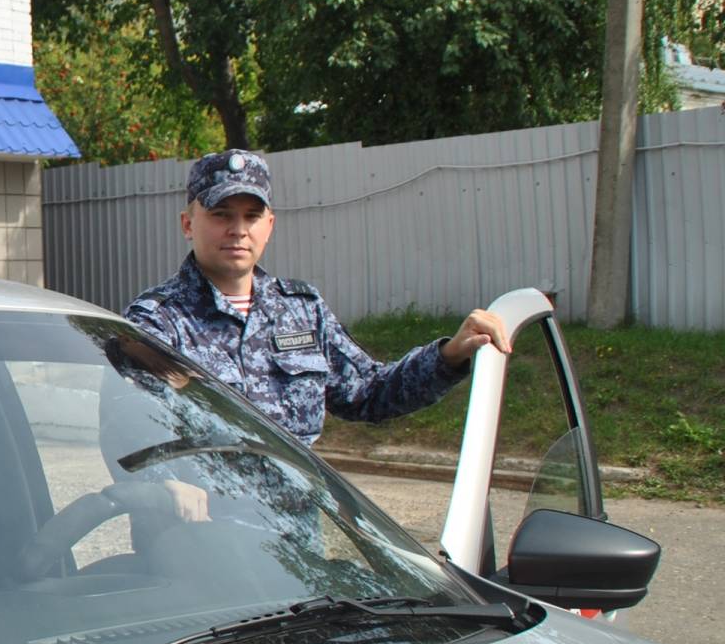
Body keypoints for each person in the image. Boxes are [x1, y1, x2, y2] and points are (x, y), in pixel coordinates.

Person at [124, 149, 509, 448]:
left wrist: (450, 355)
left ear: (269, 226)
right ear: (188, 224)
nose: (238, 230)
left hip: (293, 542)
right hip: (198, 539)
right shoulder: (158, 322)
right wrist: (170, 484)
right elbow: (127, 423)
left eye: (251, 216)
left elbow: (368, 393)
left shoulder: (301, 310)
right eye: (221, 214)